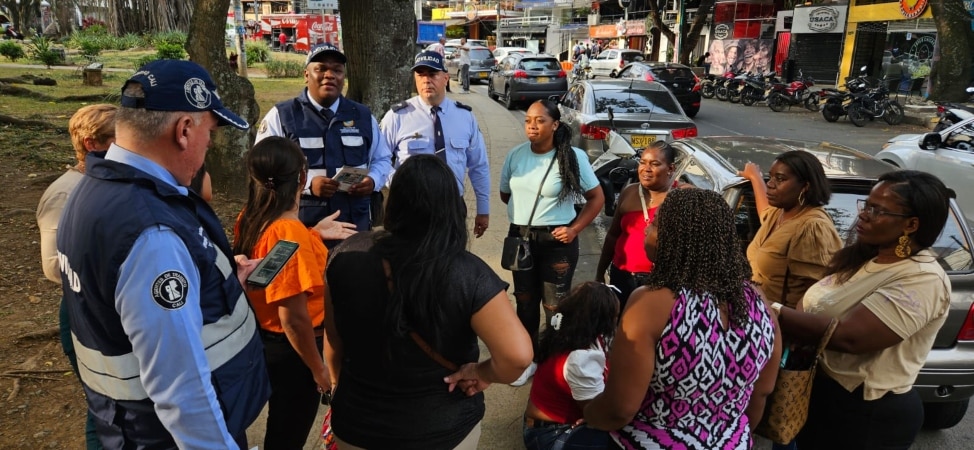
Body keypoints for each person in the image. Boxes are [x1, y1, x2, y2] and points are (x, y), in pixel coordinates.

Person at [56, 60, 271, 448]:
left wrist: (213, 285)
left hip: (125, 425)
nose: (210, 144)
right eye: (211, 132)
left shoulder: (94, 189)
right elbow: (182, 389)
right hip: (163, 437)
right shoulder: (152, 232)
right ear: (185, 130)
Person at [323, 155, 533, 449]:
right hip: (443, 429)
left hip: (357, 424)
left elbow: (333, 338)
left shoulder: (347, 253)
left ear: (394, 203)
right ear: (452, 208)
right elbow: (518, 356)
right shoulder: (468, 273)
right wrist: (481, 373)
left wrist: (337, 387)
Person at [584, 188, 781, 449]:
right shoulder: (759, 302)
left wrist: (586, 414)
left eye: (654, 224)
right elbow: (761, 393)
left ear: (675, 238)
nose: (646, 230)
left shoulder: (650, 303)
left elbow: (620, 409)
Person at [774, 170, 953, 449]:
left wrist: (771, 311)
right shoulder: (868, 257)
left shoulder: (921, 278)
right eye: (866, 205)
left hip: (867, 414)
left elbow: (851, 338)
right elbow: (815, 301)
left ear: (911, 224)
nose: (864, 215)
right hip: (822, 394)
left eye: (877, 210)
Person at [233, 136, 355, 449]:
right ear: (302, 177)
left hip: (266, 340)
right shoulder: (289, 233)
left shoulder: (251, 217)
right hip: (295, 352)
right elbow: (294, 317)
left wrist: (313, 234)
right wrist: (319, 369)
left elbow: (271, 269)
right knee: (287, 436)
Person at [500, 99, 605, 387]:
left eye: (540, 120)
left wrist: (574, 229)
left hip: (557, 242)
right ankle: (528, 359)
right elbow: (506, 194)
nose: (532, 126)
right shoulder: (516, 155)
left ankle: (552, 362)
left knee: (555, 306)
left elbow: (597, 198)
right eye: (528, 120)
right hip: (521, 238)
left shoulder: (572, 157)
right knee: (524, 302)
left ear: (555, 124)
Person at [36, 103, 116, 450]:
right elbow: (53, 265)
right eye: (120, 138)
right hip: (82, 311)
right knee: (102, 409)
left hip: (106, 309)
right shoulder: (64, 192)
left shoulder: (107, 183)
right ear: (92, 143)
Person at [256, 43, 391, 235]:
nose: (330, 75)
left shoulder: (362, 116)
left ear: (343, 77)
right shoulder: (282, 116)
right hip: (303, 227)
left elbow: (382, 158)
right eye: (321, 69)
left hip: (354, 226)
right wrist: (307, 185)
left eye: (337, 70)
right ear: (306, 75)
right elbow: (263, 169)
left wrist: (373, 180)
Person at [380, 51, 490, 238]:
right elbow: (379, 160)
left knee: (452, 264)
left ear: (446, 78)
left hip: (451, 207)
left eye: (432, 74)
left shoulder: (464, 117)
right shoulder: (397, 117)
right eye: (420, 75)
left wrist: (483, 209)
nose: (426, 80)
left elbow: (478, 165)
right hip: (410, 208)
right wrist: (400, 184)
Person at [740, 151, 842, 311]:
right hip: (757, 316)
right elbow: (764, 212)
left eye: (780, 179)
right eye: (770, 177)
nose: (770, 184)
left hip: (781, 326)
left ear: (805, 186)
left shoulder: (811, 228)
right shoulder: (779, 213)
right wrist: (755, 177)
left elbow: (816, 296)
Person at [522, 282, 617, 450]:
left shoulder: (567, 333)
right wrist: (595, 416)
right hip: (550, 434)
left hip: (543, 423)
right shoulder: (581, 358)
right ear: (602, 321)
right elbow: (601, 416)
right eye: (614, 317)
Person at [595, 141, 676, 308]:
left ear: (671, 169)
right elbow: (613, 235)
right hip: (621, 274)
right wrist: (600, 271)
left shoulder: (680, 198)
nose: (646, 169)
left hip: (660, 280)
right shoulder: (629, 192)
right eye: (642, 162)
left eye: (655, 164)